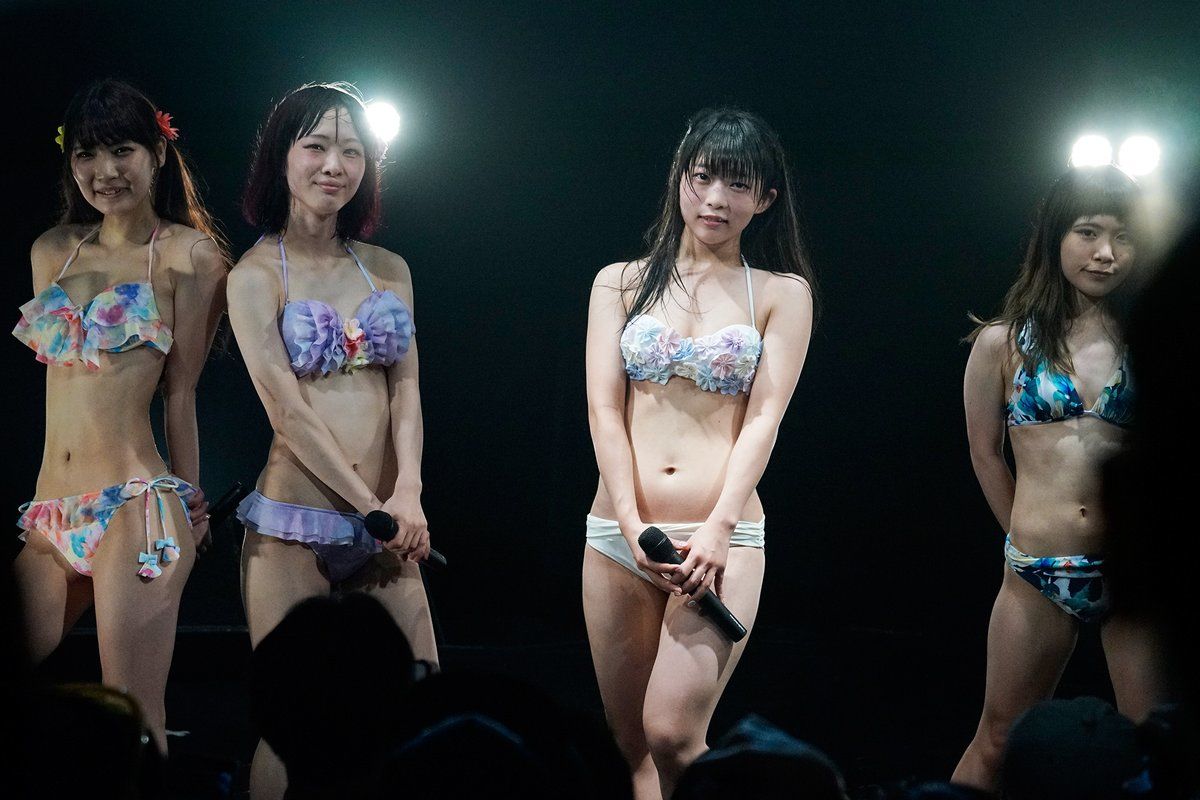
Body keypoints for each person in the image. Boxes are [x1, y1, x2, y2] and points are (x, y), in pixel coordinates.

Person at [583, 107, 816, 800]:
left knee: (673, 734)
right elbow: (603, 409)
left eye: (737, 185)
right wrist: (631, 525)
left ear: (765, 198)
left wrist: (718, 527)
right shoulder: (619, 282)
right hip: (617, 534)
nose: (716, 199)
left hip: (720, 540)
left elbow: (766, 416)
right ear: (679, 177)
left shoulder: (781, 293)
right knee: (630, 745)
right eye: (704, 177)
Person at [228, 82, 437, 799]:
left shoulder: (388, 268)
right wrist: (370, 507)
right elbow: (286, 412)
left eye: (351, 151)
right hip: (295, 522)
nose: (333, 165)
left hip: (389, 519)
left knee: (419, 705)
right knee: (290, 724)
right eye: (315, 146)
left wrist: (407, 491)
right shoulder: (255, 274)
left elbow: (406, 389)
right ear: (281, 157)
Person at [11, 78, 227, 755]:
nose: (105, 171)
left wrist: (193, 499)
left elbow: (181, 392)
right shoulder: (53, 250)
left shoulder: (190, 257)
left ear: (158, 153)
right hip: (50, 516)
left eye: (121, 150)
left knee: (132, 718)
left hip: (136, 506)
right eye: (86, 154)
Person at [952, 165, 1166, 790]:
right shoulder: (1002, 342)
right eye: (1088, 232)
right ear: (1055, 236)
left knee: (1155, 746)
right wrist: (1019, 538)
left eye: (1123, 237)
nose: (1106, 253)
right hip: (1036, 571)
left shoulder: (1153, 341)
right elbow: (984, 452)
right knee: (998, 739)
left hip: (1134, 570)